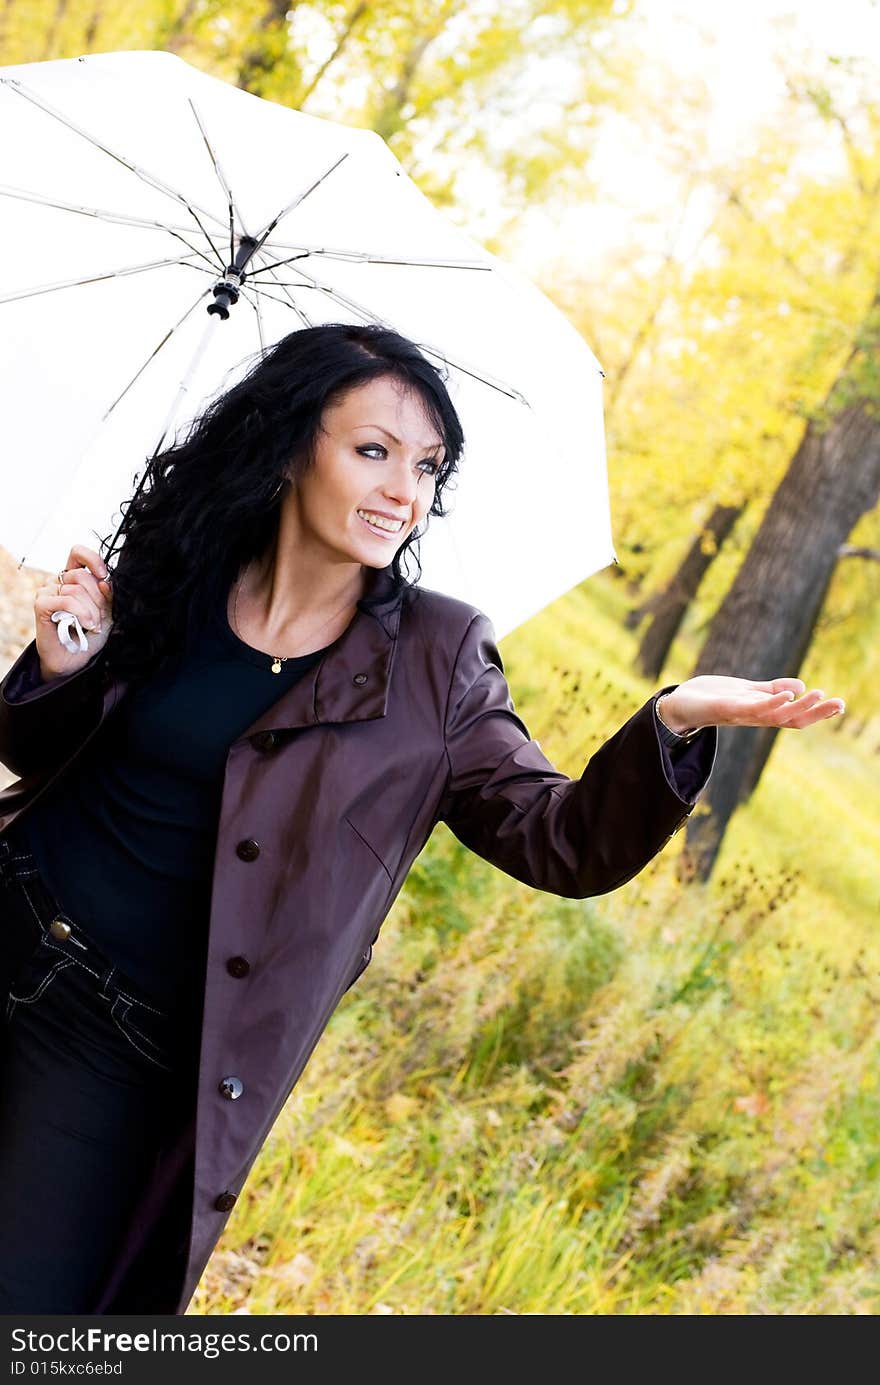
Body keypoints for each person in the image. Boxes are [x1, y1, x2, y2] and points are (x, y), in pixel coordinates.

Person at [0, 322, 845, 1315]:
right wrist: (64, 668)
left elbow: (560, 836)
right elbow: (40, 755)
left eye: (425, 464)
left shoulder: (435, 661)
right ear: (286, 447)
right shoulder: (178, 569)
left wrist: (672, 717)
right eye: (372, 450)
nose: (404, 488)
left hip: (114, 1047)